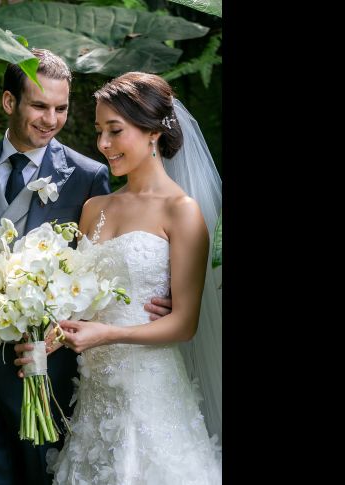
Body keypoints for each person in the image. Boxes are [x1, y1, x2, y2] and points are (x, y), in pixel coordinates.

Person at [0, 51, 173, 485]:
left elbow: (104, 269)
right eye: (40, 106)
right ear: (9, 102)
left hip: (49, 377)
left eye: (61, 108)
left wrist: (157, 297)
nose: (51, 119)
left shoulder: (89, 177)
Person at [18, 72, 223, 484]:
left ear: (153, 132)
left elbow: (184, 324)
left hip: (150, 393)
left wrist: (106, 334)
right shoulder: (94, 207)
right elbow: (79, 299)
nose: (103, 144)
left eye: (115, 131)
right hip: (94, 395)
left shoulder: (182, 211)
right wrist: (48, 337)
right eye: (99, 131)